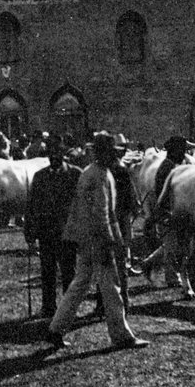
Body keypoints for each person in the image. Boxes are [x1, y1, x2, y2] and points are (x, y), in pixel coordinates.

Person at [46, 133, 149, 351]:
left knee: (79, 284)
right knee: (111, 288)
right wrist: (111, 241)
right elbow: (102, 214)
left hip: (86, 239)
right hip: (98, 240)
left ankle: (55, 328)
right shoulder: (100, 176)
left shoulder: (90, 172)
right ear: (106, 154)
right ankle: (122, 336)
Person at [24, 143, 81, 318]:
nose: (54, 159)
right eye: (51, 156)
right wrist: (29, 232)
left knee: (68, 272)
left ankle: (69, 308)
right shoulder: (40, 176)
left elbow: (81, 204)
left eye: (57, 155)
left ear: (63, 155)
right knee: (47, 271)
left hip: (67, 232)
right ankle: (48, 307)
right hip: (46, 232)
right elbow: (31, 205)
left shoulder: (75, 174)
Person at [139, 135, 188, 287]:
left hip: (170, 209)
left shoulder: (170, 165)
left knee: (171, 243)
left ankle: (148, 263)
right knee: (171, 244)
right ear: (174, 151)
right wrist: (167, 211)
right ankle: (171, 277)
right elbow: (164, 192)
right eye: (182, 150)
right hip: (166, 210)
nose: (184, 154)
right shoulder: (167, 168)